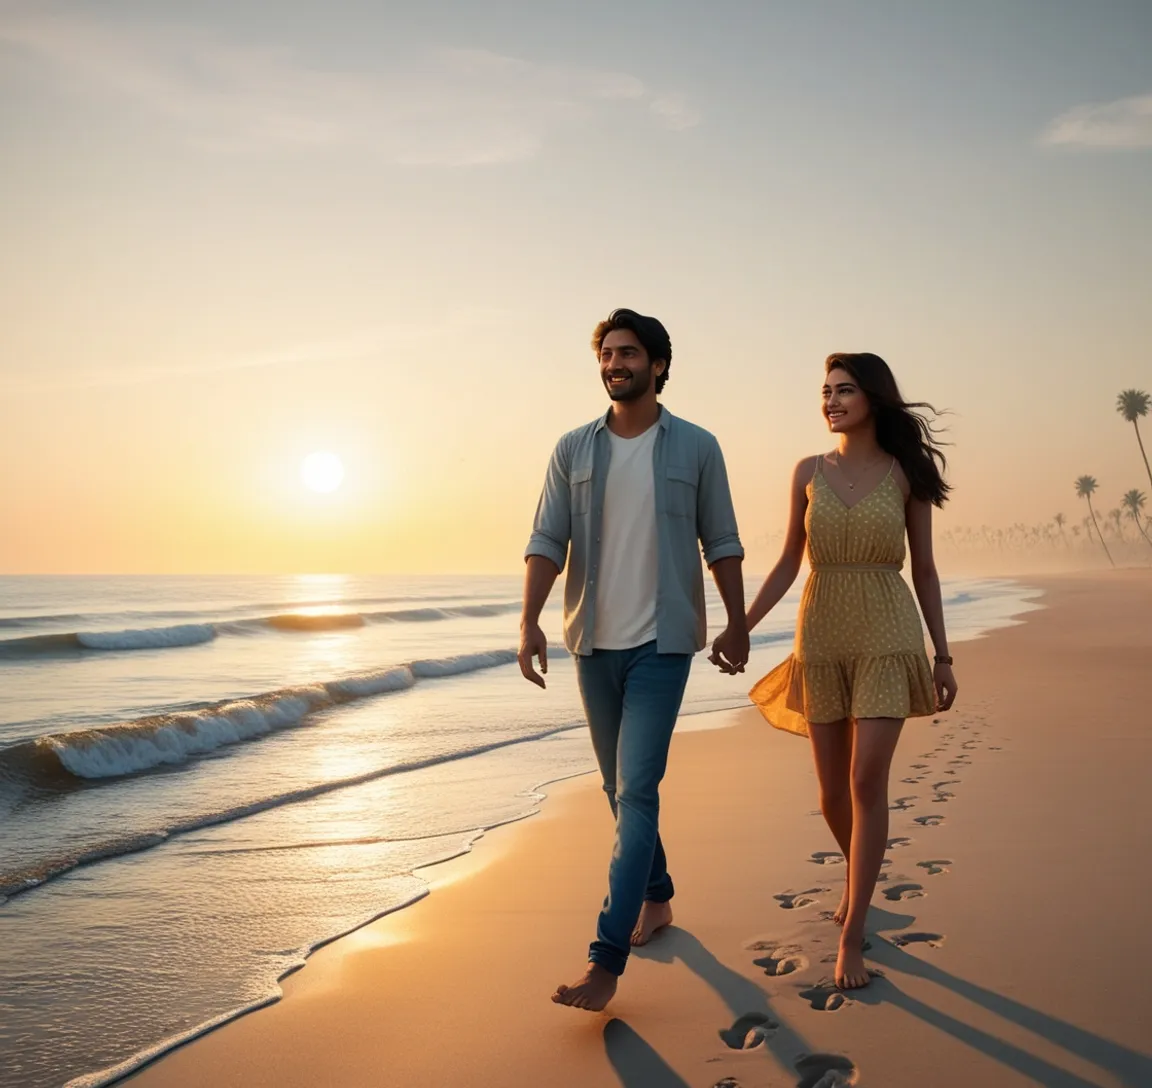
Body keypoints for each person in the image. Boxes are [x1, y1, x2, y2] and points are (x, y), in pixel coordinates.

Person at [519, 307, 748, 1012]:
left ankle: (605, 960)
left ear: (657, 364)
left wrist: (738, 622)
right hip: (592, 643)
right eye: (606, 353)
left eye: (628, 353)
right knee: (620, 794)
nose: (614, 363)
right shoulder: (572, 450)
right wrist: (527, 620)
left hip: (663, 643)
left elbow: (724, 542)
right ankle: (658, 896)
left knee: (639, 790)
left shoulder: (698, 448)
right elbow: (547, 539)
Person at [745, 352, 958, 990]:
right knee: (831, 792)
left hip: (889, 631)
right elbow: (788, 560)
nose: (831, 401)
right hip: (823, 632)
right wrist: (742, 625)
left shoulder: (905, 474)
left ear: (873, 399)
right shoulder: (808, 472)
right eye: (826, 391)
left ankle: (852, 931)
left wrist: (942, 655)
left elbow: (923, 568)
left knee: (867, 781)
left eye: (844, 390)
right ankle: (857, 875)